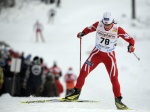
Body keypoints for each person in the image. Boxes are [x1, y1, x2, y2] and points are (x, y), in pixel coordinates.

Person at [63, 12, 135, 110]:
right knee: (84, 71)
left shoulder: (117, 29)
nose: (106, 27)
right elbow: (89, 28)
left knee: (114, 78)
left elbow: (130, 39)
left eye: (108, 25)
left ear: (112, 23)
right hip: (96, 53)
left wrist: (131, 46)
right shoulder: (99, 24)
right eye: (105, 24)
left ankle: (118, 101)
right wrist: (82, 33)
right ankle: (76, 94)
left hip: (109, 56)